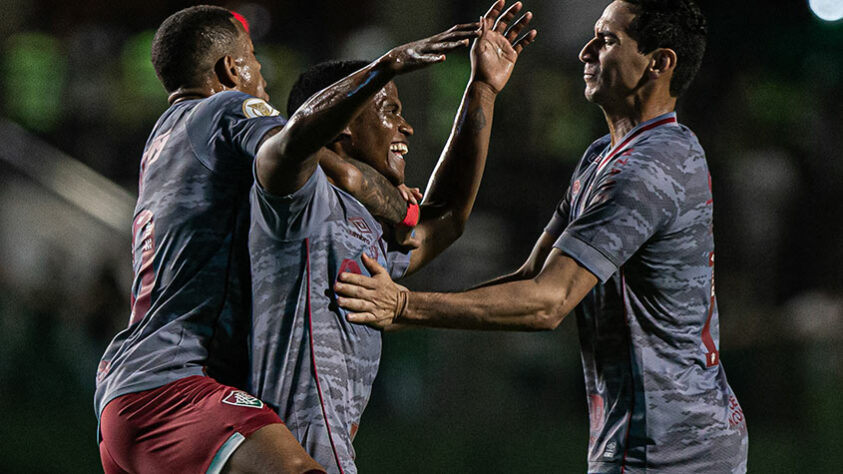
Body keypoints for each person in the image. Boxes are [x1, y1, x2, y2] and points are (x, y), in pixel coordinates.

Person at [335, 1, 749, 472]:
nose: (585, 51)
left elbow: (547, 301)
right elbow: (531, 274)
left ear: (659, 63)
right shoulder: (605, 157)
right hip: (649, 439)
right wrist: (484, 89)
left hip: (674, 451)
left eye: (607, 40)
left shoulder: (648, 169)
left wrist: (405, 306)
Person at [94, 5, 421, 474]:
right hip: (174, 383)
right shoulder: (226, 107)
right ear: (232, 68)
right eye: (256, 61)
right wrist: (402, 208)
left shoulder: (162, 138)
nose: (263, 79)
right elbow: (310, 156)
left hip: (125, 390)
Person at [248, 2, 536, 472]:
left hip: (329, 450)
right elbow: (300, 138)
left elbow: (446, 219)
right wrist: (385, 66)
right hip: (288, 452)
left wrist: (482, 88)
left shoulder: (367, 228)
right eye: (390, 111)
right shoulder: (299, 199)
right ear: (342, 122)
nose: (406, 126)